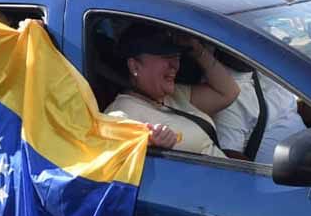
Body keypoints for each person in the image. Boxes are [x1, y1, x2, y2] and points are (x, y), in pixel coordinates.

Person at [103, 24, 240, 159]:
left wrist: (198, 51)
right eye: (165, 57)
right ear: (135, 66)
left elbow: (228, 92)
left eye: (177, 57)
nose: (175, 65)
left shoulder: (174, 94)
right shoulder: (121, 116)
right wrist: (154, 152)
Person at [212, 54, 307, 163]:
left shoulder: (270, 69)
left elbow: (290, 109)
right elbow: (230, 158)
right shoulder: (229, 99)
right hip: (280, 175)